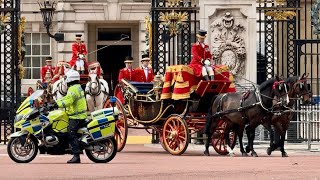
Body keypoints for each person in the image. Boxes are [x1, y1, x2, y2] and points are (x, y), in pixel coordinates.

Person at [51, 69, 87, 163]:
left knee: (71, 134)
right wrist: (55, 102)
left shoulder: (73, 89)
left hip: (77, 116)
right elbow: (66, 98)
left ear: (70, 79)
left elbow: (68, 101)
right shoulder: (76, 87)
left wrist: (57, 105)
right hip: (77, 114)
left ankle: (76, 156)